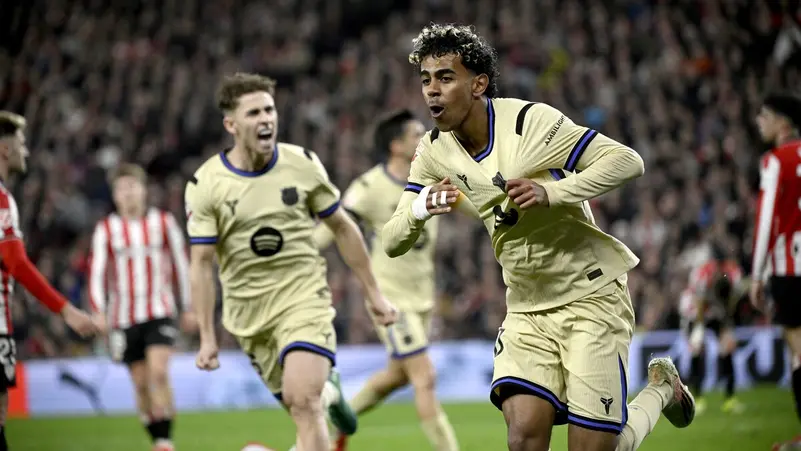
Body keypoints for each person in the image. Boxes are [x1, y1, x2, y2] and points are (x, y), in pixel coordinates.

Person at [382, 24, 696, 451]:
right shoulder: (433, 150)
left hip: (589, 297)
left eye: (445, 77)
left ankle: (661, 390)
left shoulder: (529, 123)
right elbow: (392, 241)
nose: (432, 90)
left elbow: (626, 161)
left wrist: (553, 192)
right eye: (425, 80)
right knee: (524, 440)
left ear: (478, 84)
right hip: (526, 308)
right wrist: (419, 208)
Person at [185, 73, 398, 451]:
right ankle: (329, 395)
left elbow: (343, 227)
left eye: (269, 110)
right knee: (305, 411)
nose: (266, 118)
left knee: (303, 401)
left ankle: (320, 395)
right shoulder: (207, 183)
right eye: (253, 113)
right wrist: (206, 336)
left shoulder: (302, 164)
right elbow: (201, 264)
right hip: (249, 317)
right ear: (231, 125)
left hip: (303, 299)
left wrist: (374, 293)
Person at [314, 110, 459, 451]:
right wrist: (301, 251)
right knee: (424, 377)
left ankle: (336, 415)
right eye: (415, 135)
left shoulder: (432, 176)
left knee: (397, 377)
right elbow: (336, 225)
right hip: (392, 299)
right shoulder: (370, 186)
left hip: (422, 296)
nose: (424, 139)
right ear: (396, 146)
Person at [0, 111, 99, 451]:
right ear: (5, 149)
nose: (26, 150)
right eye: (21, 143)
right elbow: (16, 263)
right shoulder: (1, 199)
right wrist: (66, 310)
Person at [88, 163, 196, 451]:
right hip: (123, 317)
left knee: (158, 372)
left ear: (144, 190)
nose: (128, 193)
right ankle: (157, 437)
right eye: (121, 188)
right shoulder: (106, 229)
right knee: (140, 383)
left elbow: (181, 265)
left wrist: (188, 306)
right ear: (114, 195)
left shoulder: (163, 222)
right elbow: (97, 272)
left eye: (132, 186)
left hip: (160, 310)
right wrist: (98, 311)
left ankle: (166, 440)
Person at [749, 91, 801, 451]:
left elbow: (766, 220)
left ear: (783, 122)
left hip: (790, 269)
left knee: (799, 353)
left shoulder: (775, 160)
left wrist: (757, 274)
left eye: (764, 115)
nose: (759, 122)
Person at [679, 240, 746, 415]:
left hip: (718, 311)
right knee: (697, 349)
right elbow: (698, 302)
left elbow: (733, 300)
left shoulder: (733, 273)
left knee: (727, 348)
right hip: (695, 311)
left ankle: (730, 399)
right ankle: (697, 398)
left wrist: (726, 322)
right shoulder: (702, 274)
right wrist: (699, 327)